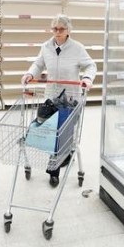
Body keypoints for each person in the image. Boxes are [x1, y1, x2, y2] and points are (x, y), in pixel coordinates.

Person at [21, 14, 97, 187]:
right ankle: (64, 155)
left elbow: (91, 65)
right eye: (54, 28)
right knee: (52, 131)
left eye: (61, 29)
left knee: (62, 132)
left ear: (69, 30)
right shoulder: (46, 46)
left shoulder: (77, 48)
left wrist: (87, 78)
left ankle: (53, 171)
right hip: (51, 97)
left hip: (70, 98)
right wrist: (30, 74)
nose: (57, 32)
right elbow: (38, 64)